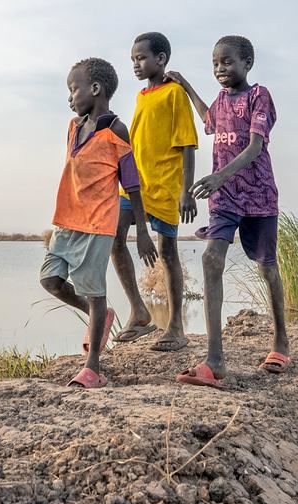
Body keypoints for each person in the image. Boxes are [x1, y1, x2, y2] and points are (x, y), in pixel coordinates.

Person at [166, 36, 289, 389]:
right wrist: (186, 85)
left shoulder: (258, 96)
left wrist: (219, 175)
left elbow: (254, 147)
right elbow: (210, 119)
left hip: (258, 195)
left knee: (267, 267)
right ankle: (215, 359)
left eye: (228, 62)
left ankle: (281, 341)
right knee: (211, 259)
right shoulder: (220, 102)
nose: (221, 69)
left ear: (247, 63)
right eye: (215, 64)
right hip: (224, 199)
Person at [40, 57, 158, 389]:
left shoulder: (115, 130)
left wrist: (143, 230)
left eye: (73, 88)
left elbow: (132, 182)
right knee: (50, 280)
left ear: (95, 89)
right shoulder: (74, 127)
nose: (70, 97)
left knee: (94, 290)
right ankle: (100, 316)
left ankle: (93, 368)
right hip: (66, 220)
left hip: (97, 224)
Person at [110, 31, 199, 352]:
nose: (135, 64)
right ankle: (140, 311)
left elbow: (188, 144)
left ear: (160, 59)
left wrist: (186, 191)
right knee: (115, 237)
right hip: (135, 188)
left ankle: (176, 326)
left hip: (165, 187)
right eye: (132, 59)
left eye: (141, 58)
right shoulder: (141, 97)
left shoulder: (174, 94)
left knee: (168, 253)